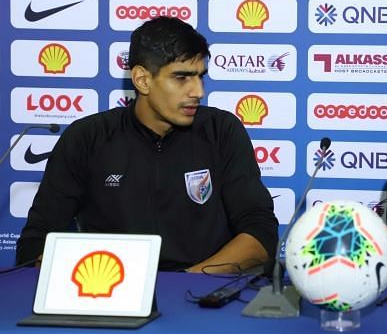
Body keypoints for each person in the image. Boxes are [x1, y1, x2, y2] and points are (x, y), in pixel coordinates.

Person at [16, 16, 279, 273]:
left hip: (203, 293)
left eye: (200, 76)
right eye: (181, 77)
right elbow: (35, 244)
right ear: (142, 79)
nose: (197, 91)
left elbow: (260, 234)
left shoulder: (221, 131)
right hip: (109, 295)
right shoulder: (87, 138)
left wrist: (189, 282)